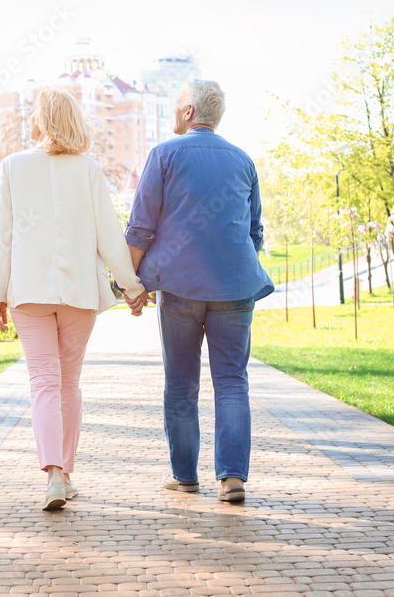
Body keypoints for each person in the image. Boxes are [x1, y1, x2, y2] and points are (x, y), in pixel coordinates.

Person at [0, 88, 149, 511]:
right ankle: (64, 473)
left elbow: (3, 236)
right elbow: (110, 235)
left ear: (41, 120)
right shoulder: (87, 170)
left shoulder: (14, 167)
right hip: (77, 294)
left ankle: (54, 474)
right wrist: (131, 286)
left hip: (28, 293)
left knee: (43, 382)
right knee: (68, 381)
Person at [123, 78, 273, 502]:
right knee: (231, 382)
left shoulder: (164, 155)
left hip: (180, 291)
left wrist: (129, 283)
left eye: (176, 106)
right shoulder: (243, 160)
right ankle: (232, 479)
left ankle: (185, 476)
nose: (173, 112)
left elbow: (140, 229)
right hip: (235, 289)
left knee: (182, 385)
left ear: (189, 112)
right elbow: (254, 230)